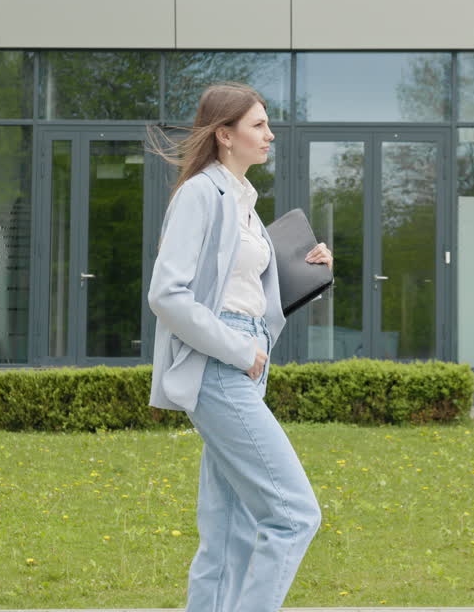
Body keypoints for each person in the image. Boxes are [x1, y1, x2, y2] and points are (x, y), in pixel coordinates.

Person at [146, 82, 333, 612]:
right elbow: (167, 293)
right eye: (258, 125)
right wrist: (237, 350)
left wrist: (306, 267)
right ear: (224, 135)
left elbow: (249, 292)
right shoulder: (201, 193)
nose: (270, 134)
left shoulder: (245, 203)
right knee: (294, 514)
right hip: (221, 365)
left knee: (227, 534)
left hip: (244, 360)